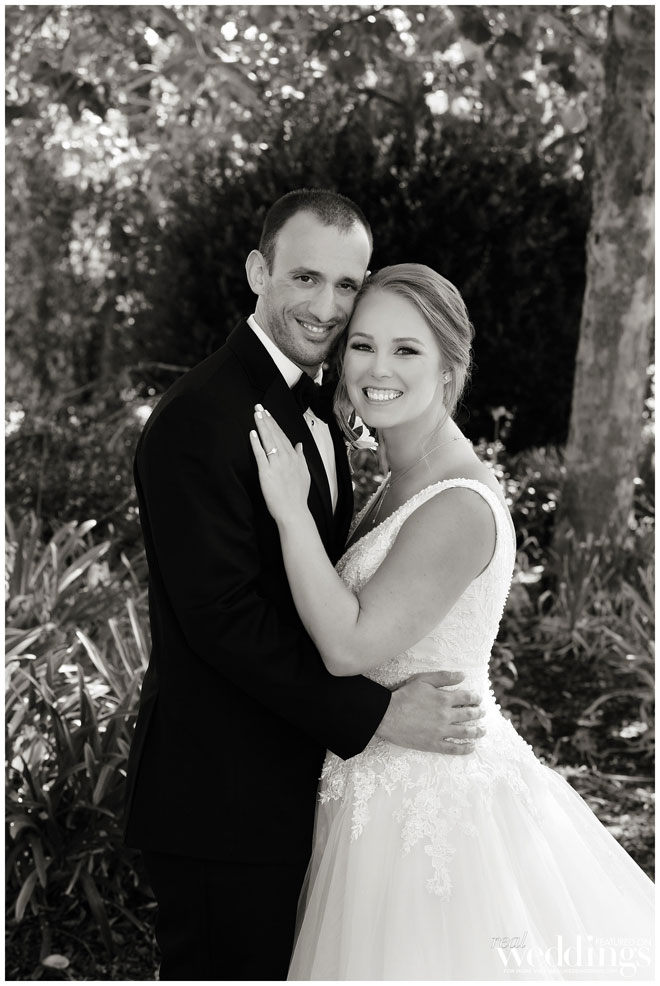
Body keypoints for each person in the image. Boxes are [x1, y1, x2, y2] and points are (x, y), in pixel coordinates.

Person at [250, 263, 655, 981]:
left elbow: (347, 646)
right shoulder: (402, 478)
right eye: (363, 345)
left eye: (406, 350)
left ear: (449, 369)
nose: (377, 368)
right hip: (373, 781)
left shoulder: (459, 505)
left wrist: (290, 513)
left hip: (429, 806)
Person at [123, 191, 488, 981]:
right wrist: (377, 714)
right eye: (305, 278)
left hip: (299, 786)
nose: (326, 307)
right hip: (220, 799)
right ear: (260, 272)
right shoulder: (198, 420)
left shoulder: (320, 404)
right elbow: (224, 621)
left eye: (346, 285)